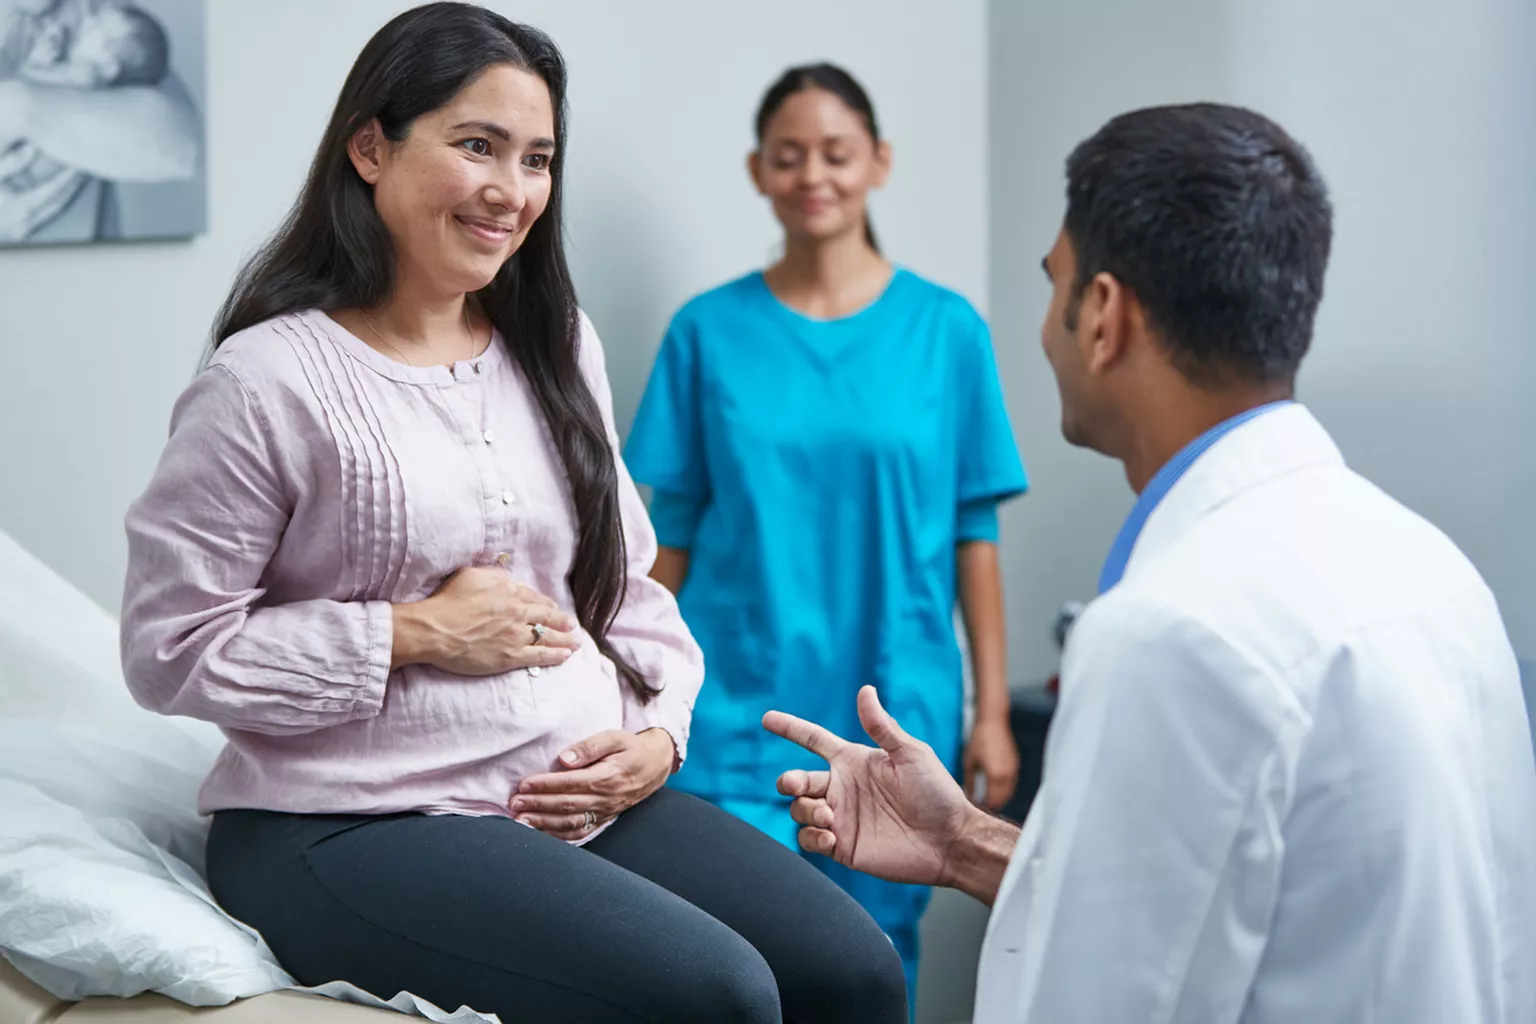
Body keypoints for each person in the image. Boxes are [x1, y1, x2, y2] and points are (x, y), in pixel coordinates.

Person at [118, 6, 906, 1023]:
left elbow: (625, 587)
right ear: (370, 146)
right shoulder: (266, 381)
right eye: (476, 145)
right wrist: (412, 632)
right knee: (720, 994)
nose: (513, 189)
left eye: (536, 158)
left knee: (855, 967)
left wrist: (660, 735)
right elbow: (167, 645)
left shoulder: (554, 344)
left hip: (563, 800)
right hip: (348, 820)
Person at [763, 102, 1536, 1022]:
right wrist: (965, 841)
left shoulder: (1174, 631)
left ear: (1102, 315)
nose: (1043, 330)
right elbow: (1260, 904)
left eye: (1054, 286)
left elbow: (1105, 999)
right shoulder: (1429, 567)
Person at [623, 62, 1028, 1005]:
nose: (815, 175)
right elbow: (666, 539)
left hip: (895, 703)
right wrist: (628, 688)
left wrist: (995, 712)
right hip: (733, 711)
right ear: (758, 171)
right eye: (790, 156)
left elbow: (975, 532)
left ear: (878, 163)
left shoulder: (947, 332)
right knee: (731, 968)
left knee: (870, 969)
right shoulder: (706, 333)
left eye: (837, 154)